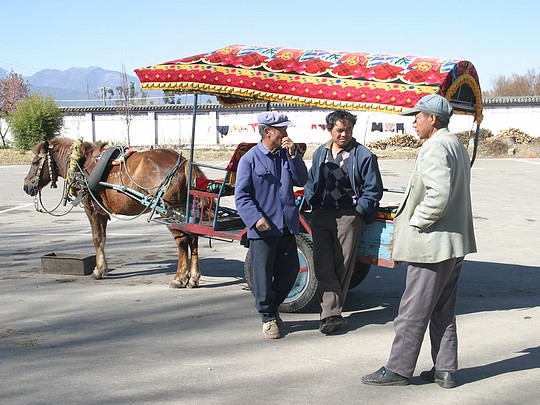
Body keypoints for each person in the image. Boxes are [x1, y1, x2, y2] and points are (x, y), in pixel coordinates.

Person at [362, 94, 477, 388]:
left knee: (412, 310)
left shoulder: (435, 147)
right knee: (442, 309)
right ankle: (445, 369)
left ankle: (398, 369)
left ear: (432, 119)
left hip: (432, 244)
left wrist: (416, 221)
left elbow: (439, 195)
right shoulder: (455, 144)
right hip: (452, 242)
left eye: (417, 117)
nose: (414, 122)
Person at [304, 110, 383, 334]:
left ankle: (330, 313)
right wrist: (311, 201)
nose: (344, 134)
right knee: (323, 264)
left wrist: (359, 210)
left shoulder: (363, 155)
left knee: (343, 265)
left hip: (349, 216)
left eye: (348, 130)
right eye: (340, 130)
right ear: (330, 130)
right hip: (321, 215)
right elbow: (311, 180)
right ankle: (331, 312)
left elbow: (373, 189)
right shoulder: (320, 153)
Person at [235, 111, 308, 339]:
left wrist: (294, 156)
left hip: (287, 224)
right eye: (281, 130)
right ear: (267, 131)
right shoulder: (250, 159)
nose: (286, 134)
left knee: (290, 272)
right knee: (263, 275)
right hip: (263, 227)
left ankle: (272, 307)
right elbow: (242, 196)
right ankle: (268, 318)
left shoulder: (286, 155)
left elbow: (302, 180)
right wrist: (255, 218)